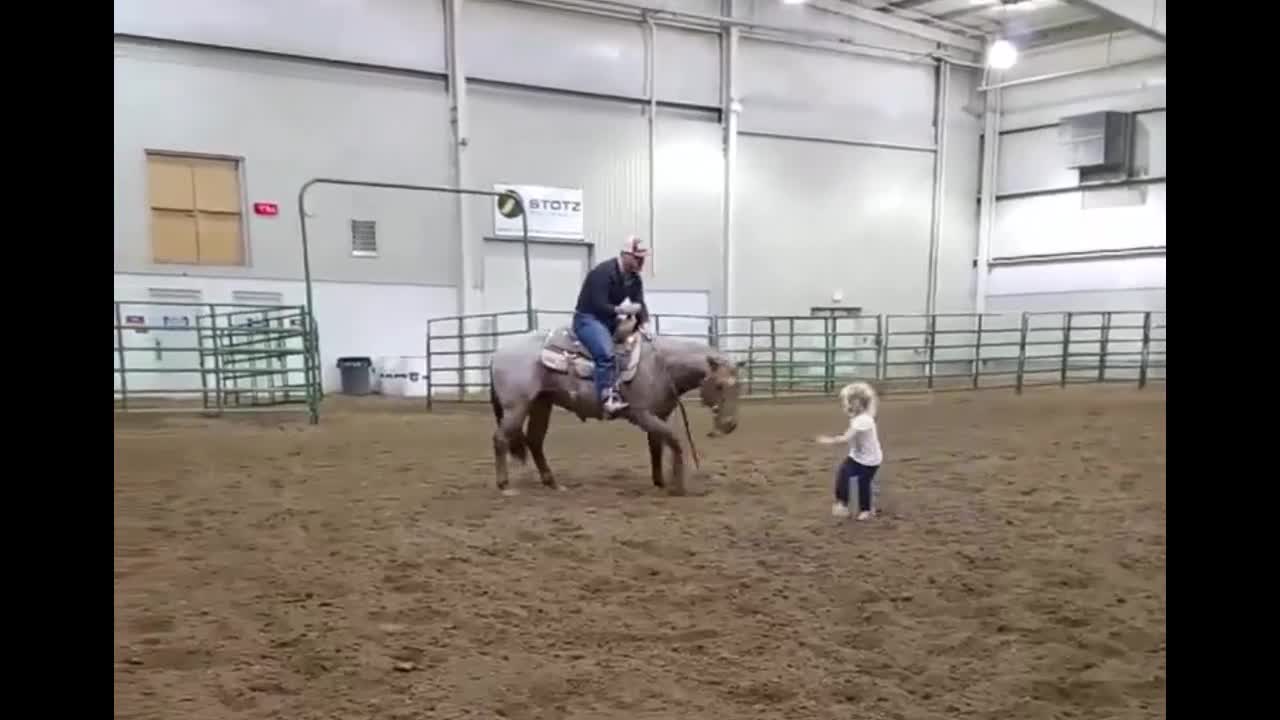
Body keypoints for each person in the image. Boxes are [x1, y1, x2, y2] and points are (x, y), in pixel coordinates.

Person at [572, 236, 651, 415]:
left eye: (642, 257)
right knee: (606, 354)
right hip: (588, 319)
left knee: (636, 347)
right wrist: (620, 309)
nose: (641, 261)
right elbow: (598, 304)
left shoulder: (634, 278)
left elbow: (639, 302)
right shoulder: (603, 272)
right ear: (625, 255)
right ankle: (606, 396)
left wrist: (644, 322)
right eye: (637, 257)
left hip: (608, 319)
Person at [816, 381, 883, 521]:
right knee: (843, 474)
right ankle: (843, 504)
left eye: (850, 401)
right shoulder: (862, 416)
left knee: (863, 483)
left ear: (858, 402)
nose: (847, 404)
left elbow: (846, 438)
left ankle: (867, 510)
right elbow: (872, 406)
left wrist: (829, 440)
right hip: (857, 456)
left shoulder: (863, 420)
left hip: (870, 460)